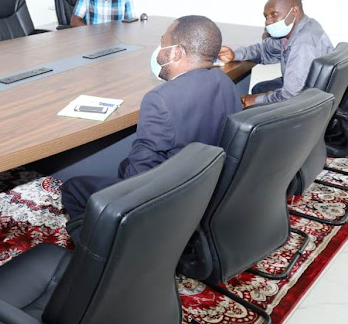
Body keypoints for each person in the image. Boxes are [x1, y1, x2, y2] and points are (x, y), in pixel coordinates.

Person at [61, 15, 241, 224]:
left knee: (73, 188)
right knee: (124, 163)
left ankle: (105, 250)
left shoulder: (160, 99)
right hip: (203, 185)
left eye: (162, 44)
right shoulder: (225, 82)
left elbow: (136, 181)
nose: (158, 51)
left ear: (176, 52)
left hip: (166, 200)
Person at [218, 0, 333, 108]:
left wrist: (256, 100)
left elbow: (291, 96)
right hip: (308, 90)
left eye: (274, 14)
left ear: (294, 11)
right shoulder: (300, 28)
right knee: (259, 89)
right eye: (266, 16)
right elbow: (265, 50)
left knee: (249, 103)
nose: (268, 21)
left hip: (305, 104)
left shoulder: (304, 44)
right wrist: (234, 55)